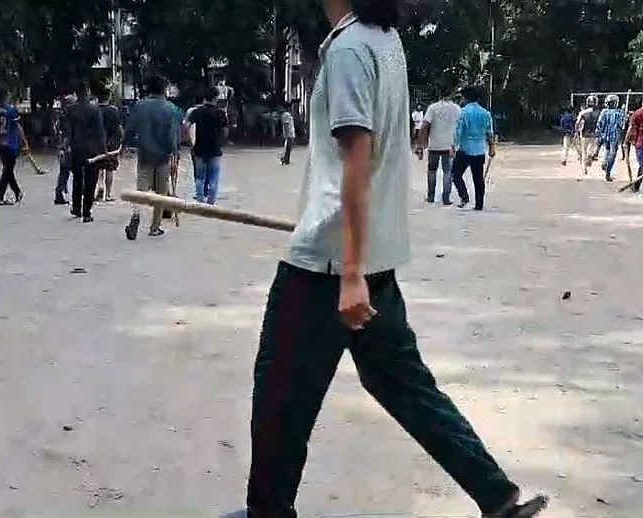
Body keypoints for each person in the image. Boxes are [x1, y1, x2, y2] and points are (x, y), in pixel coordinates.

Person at [221, 0, 548, 517]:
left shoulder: (351, 49)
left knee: (280, 392)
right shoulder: (382, 40)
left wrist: (349, 273)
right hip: (370, 259)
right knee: (406, 386)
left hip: (328, 268)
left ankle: (267, 512)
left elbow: (358, 159)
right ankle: (499, 495)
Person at [123, 75, 179, 239]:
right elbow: (172, 135)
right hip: (163, 155)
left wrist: (126, 144)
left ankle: (136, 215)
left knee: (141, 189)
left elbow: (130, 128)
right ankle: (155, 227)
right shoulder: (170, 108)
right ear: (163, 89)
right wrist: (174, 152)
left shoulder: (140, 106)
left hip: (144, 153)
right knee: (160, 194)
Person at [65, 83, 106, 223]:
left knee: (77, 178)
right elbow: (100, 132)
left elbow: (68, 131)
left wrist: (66, 147)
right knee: (91, 180)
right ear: (87, 92)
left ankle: (76, 207)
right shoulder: (94, 110)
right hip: (92, 149)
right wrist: (103, 150)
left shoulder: (70, 110)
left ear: (76, 94)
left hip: (76, 148)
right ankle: (86, 211)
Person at [451, 87, 494, 211]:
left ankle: (464, 196)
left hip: (465, 149)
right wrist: (492, 147)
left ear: (466, 98)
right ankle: (479, 204)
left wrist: (453, 146)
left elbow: (458, 132)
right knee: (478, 178)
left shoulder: (463, 112)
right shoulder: (485, 113)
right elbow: (489, 132)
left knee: (456, 174)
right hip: (479, 150)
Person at [416, 92, 460, 204]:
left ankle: (431, 197)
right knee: (447, 172)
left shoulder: (433, 107)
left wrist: (420, 144)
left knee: (432, 170)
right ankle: (446, 199)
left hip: (434, 145)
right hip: (449, 145)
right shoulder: (456, 109)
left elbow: (424, 126)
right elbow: (460, 126)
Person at [187, 87, 228, 204]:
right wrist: (220, 139)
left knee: (200, 176)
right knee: (213, 177)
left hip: (199, 148)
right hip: (215, 149)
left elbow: (186, 126)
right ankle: (211, 202)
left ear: (205, 98)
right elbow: (225, 131)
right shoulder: (220, 113)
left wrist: (190, 142)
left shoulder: (196, 112)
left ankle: (200, 200)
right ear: (216, 98)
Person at [0, 89, 26, 205]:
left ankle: (17, 192)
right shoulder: (11, 110)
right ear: (5, 97)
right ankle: (0, 196)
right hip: (10, 143)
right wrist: (24, 141)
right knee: (7, 171)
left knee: (8, 169)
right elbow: (18, 127)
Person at [594, 94, 626, 182]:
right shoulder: (619, 113)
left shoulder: (603, 112)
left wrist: (600, 134)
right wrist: (624, 114)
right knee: (613, 153)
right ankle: (608, 172)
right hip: (615, 136)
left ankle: (605, 163)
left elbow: (599, 124)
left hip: (605, 136)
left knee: (607, 150)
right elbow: (622, 125)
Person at [54, 94, 76, 205]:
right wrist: (64, 148)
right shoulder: (69, 117)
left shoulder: (61, 116)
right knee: (73, 173)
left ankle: (60, 194)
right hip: (68, 148)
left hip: (63, 147)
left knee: (64, 173)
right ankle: (76, 195)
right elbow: (68, 134)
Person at [576, 95, 600, 176]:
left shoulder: (583, 113)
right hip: (594, 134)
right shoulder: (598, 113)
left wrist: (576, 131)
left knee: (583, 151)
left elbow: (577, 123)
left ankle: (584, 169)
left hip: (584, 134)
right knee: (591, 150)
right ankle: (590, 156)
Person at [624, 99, 643, 193]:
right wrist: (626, 141)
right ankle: (636, 186)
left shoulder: (636, 113)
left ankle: (636, 186)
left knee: (642, 166)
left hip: (639, 144)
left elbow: (631, 128)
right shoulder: (637, 114)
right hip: (640, 143)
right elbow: (631, 128)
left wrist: (625, 140)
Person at [184, 95, 205, 181]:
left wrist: (187, 139)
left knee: (196, 165)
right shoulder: (205, 110)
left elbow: (186, 126)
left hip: (193, 141)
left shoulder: (190, 111)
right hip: (207, 141)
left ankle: (198, 184)